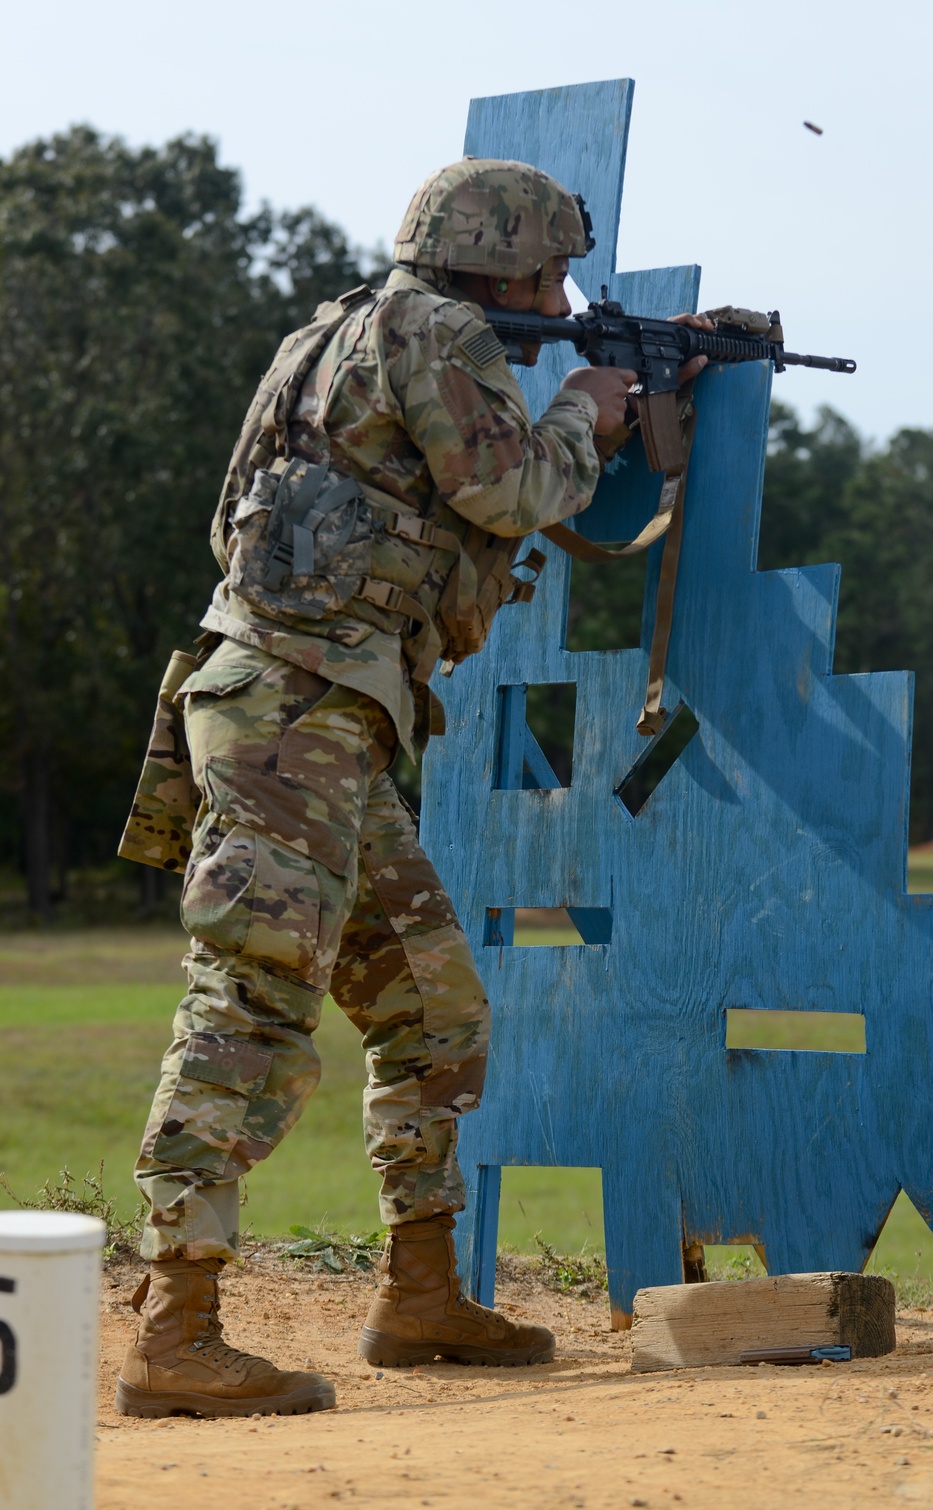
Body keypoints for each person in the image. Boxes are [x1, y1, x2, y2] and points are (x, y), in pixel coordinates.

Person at [115, 157, 710, 1419]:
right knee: (249, 1005)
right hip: (296, 713)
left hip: (314, 710)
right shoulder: (437, 330)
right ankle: (176, 1328)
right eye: (547, 271)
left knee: (432, 1006)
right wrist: (586, 418)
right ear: (495, 260)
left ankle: (421, 1293)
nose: (555, 293)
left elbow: (232, 519)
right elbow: (509, 489)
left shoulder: (328, 327)